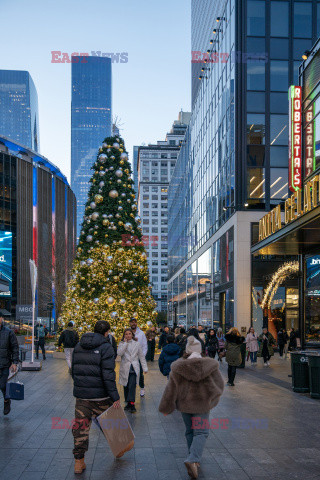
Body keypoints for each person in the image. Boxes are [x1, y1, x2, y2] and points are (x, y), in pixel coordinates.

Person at [159, 336, 224, 479]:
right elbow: (219, 386)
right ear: (201, 351)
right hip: (202, 405)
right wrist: (211, 398)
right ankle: (193, 460)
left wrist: (166, 407)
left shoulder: (178, 367)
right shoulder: (210, 366)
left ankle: (193, 458)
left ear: (186, 351)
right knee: (201, 432)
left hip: (185, 405)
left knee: (190, 431)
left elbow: (170, 389)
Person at [118, 328, 148, 412]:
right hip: (125, 368)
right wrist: (125, 344)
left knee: (132, 385)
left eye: (129, 334)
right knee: (126, 386)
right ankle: (128, 403)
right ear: (124, 335)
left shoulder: (137, 344)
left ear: (132, 335)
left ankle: (132, 403)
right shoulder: (121, 344)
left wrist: (145, 368)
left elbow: (141, 356)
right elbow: (119, 353)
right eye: (126, 334)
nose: (128, 335)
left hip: (134, 368)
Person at [0, 316, 19, 415]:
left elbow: (15, 347)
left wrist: (15, 362)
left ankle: (7, 401)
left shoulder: (8, 332)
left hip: (4, 364)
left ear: (1, 319)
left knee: (2, 385)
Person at [129, 318, 148, 397]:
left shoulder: (141, 333)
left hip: (138, 357)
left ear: (136, 323)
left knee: (139, 374)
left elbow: (144, 345)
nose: (133, 323)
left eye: (135, 322)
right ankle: (130, 389)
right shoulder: (127, 332)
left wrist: (142, 356)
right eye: (132, 322)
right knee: (129, 373)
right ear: (129, 323)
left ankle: (142, 388)